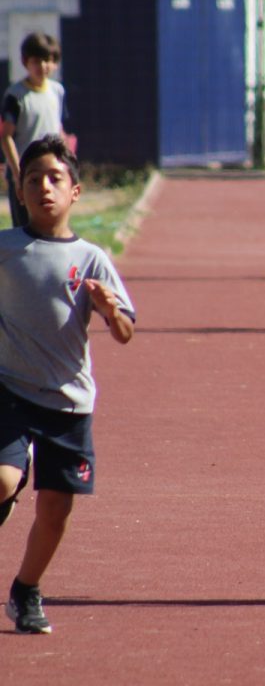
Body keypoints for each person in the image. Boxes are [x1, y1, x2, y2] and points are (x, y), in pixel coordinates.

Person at [0, 135, 135, 634]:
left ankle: (26, 589)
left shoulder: (93, 259)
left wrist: (108, 307)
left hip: (68, 402)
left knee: (55, 510)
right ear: (19, 189)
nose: (44, 188)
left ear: (75, 192)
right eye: (32, 179)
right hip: (10, 390)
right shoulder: (6, 248)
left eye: (55, 178)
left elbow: (125, 333)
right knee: (3, 479)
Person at [2, 33, 68, 229]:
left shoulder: (57, 91)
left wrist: (65, 163)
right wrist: (17, 173)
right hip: (26, 171)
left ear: (55, 63)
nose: (42, 67)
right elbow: (6, 136)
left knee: (51, 224)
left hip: (51, 170)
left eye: (48, 61)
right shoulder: (16, 95)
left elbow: (60, 129)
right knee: (25, 227)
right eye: (36, 61)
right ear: (25, 62)